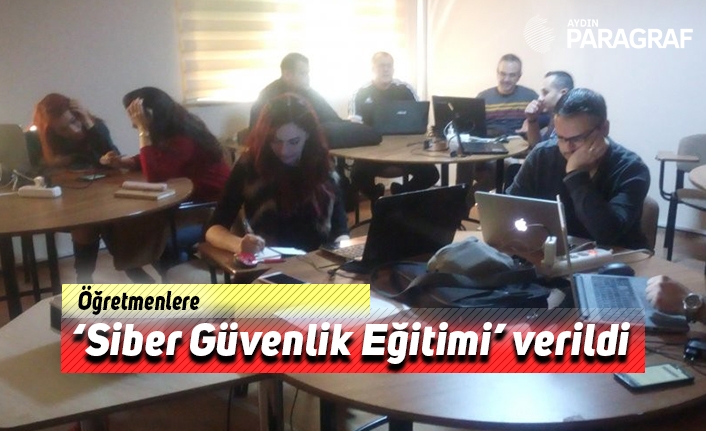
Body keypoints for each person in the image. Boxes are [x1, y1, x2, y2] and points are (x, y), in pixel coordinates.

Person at [95, 87, 230, 282]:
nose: (133, 123)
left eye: (135, 116)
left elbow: (155, 174)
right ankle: (152, 278)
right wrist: (124, 162)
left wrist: (143, 131)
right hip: (188, 202)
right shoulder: (173, 128)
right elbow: (159, 158)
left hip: (209, 209)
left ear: (150, 114)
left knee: (152, 238)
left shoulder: (183, 136)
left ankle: (174, 280)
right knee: (117, 226)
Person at [506, 88, 650, 250]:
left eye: (577, 138)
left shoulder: (631, 169)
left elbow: (608, 235)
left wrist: (576, 174)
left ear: (604, 128)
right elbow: (509, 207)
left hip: (616, 256)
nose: (567, 148)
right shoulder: (542, 155)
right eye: (560, 137)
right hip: (552, 250)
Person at [206, 93, 349, 255]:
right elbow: (214, 228)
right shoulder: (251, 164)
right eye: (276, 141)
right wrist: (239, 245)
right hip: (271, 261)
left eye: (294, 142)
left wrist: (345, 252)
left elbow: (340, 230)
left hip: (319, 260)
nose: (284, 151)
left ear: (308, 135)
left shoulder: (321, 164)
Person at [348, 52, 439, 201]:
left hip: (405, 151)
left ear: (393, 69)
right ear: (373, 69)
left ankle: (400, 195)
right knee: (357, 175)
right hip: (372, 152)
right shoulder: (361, 92)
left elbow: (420, 119)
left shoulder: (405, 89)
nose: (386, 69)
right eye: (381, 66)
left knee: (431, 174)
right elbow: (354, 126)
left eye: (389, 66)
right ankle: (377, 196)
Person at [458, 54, 539, 189]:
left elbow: (547, 117)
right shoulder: (483, 97)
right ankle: (460, 192)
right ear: (497, 73)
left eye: (512, 75)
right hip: (488, 145)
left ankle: (470, 196)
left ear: (519, 76)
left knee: (500, 164)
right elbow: (472, 126)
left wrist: (531, 121)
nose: (506, 79)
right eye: (502, 74)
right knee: (462, 155)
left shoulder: (530, 96)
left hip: (516, 146)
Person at [249, 52, 340, 130]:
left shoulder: (308, 92)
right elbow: (259, 130)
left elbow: (333, 119)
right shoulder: (269, 95)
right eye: (303, 73)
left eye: (307, 73)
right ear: (287, 75)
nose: (308, 78)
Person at [31, 93, 119, 169]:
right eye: (63, 129)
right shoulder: (52, 137)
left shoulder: (97, 126)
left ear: (78, 113)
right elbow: (42, 164)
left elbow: (115, 159)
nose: (74, 130)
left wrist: (89, 124)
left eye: (73, 121)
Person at [523, 71, 574, 148]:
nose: (540, 98)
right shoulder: (553, 114)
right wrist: (532, 119)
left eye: (545, 93)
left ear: (563, 93)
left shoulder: (572, 121)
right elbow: (537, 146)